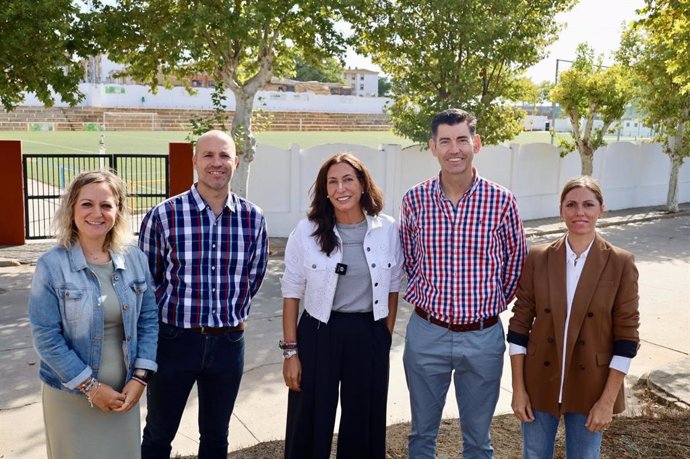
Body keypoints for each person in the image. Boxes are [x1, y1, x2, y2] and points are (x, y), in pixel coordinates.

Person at [399, 108, 527, 458]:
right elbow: (409, 259)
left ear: (477, 144)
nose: (454, 149)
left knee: (478, 439)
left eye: (461, 140)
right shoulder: (415, 200)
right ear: (432, 147)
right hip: (427, 334)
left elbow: (516, 264)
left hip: (483, 338)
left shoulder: (501, 201)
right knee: (421, 435)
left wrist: (487, 306)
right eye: (445, 141)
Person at [138, 129, 269, 459]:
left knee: (216, 436)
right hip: (174, 343)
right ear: (195, 161)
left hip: (228, 346)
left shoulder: (253, 219)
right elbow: (146, 283)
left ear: (235, 162)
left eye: (224, 155)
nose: (217, 163)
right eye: (208, 155)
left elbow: (253, 277)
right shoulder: (163, 215)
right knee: (158, 434)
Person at [28, 170, 159, 459]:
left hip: (125, 394)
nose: (96, 213)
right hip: (71, 397)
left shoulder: (135, 259)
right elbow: (46, 337)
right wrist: (91, 388)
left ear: (118, 211)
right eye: (87, 204)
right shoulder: (51, 265)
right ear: (72, 209)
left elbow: (148, 318)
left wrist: (140, 378)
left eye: (106, 205)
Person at [508, 176, 640, 458]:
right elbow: (519, 327)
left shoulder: (620, 262)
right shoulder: (538, 258)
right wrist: (518, 389)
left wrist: (607, 401)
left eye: (588, 204)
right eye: (571, 205)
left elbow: (627, 339)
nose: (580, 212)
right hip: (539, 382)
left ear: (601, 209)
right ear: (561, 210)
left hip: (592, 386)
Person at [281, 152, 402, 458]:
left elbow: (392, 287)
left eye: (348, 179)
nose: (340, 188)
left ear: (363, 184)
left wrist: (383, 334)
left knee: (364, 421)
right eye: (332, 182)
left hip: (368, 333)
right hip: (319, 332)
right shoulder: (307, 231)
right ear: (325, 190)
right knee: (309, 420)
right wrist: (291, 353)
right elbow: (291, 292)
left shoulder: (387, 229)